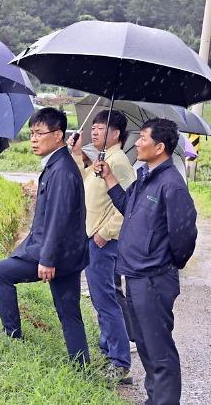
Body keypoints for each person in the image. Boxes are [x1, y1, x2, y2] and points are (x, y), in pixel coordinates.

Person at [94, 118, 197, 405]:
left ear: (160, 146)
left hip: (154, 278)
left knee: (159, 350)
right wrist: (111, 179)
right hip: (137, 276)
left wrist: (165, 261)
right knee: (147, 346)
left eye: (143, 139)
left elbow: (184, 233)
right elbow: (129, 209)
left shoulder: (171, 184)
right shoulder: (145, 176)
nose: (137, 142)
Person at [0, 107, 90, 365]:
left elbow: (58, 220)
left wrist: (47, 259)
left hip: (54, 254)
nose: (33, 139)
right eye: (31, 133)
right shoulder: (58, 164)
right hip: (64, 254)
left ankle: (12, 334)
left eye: (39, 133)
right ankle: (81, 367)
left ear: (58, 135)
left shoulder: (62, 171)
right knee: (69, 313)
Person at [68, 110, 135, 382]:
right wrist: (75, 154)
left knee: (105, 300)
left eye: (100, 128)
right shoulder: (103, 159)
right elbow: (84, 185)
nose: (94, 132)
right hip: (91, 238)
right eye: (93, 128)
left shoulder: (118, 162)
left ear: (116, 133)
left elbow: (129, 206)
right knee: (101, 298)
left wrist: (105, 233)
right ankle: (109, 350)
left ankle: (120, 362)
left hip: (102, 241)